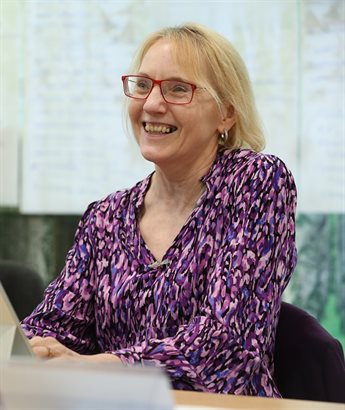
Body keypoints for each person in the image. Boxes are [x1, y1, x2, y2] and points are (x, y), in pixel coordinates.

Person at [21, 23, 297, 397]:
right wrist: (34, 351)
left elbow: (223, 349)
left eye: (178, 89)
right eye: (143, 85)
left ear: (226, 115)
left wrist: (94, 367)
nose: (152, 104)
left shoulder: (257, 183)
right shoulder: (106, 217)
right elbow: (55, 325)